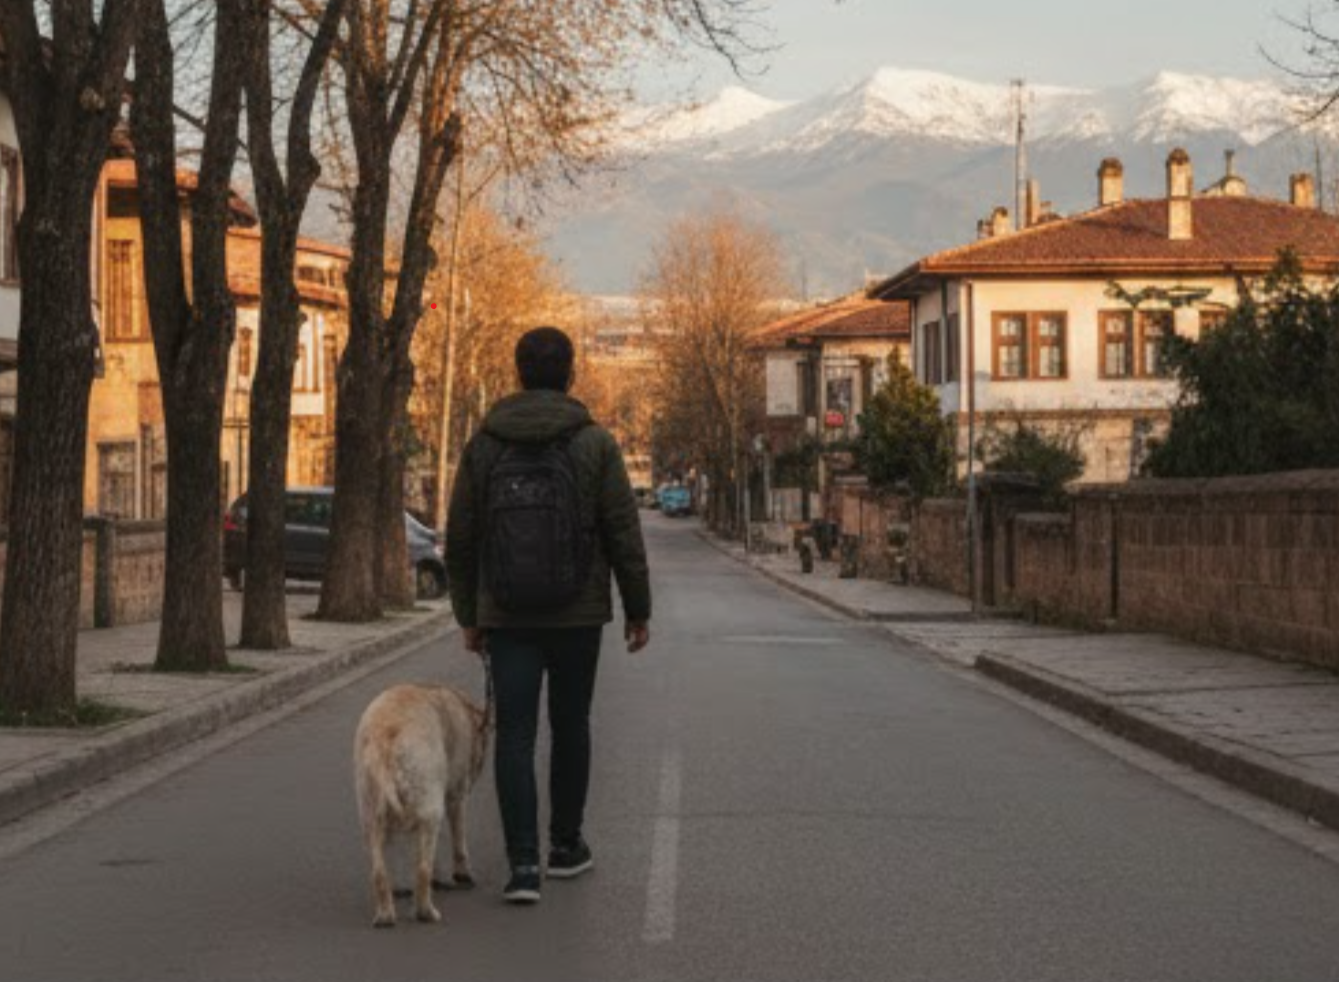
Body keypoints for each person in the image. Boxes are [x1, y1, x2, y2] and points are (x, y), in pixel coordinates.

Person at [446, 326, 652, 905]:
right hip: (577, 613)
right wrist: (637, 609)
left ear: (517, 373)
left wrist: (469, 613)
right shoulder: (594, 443)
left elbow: (460, 536)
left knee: (514, 734)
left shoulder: (485, 444)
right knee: (571, 727)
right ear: (570, 374)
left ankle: (523, 867)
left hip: (507, 615)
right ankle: (565, 846)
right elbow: (622, 532)